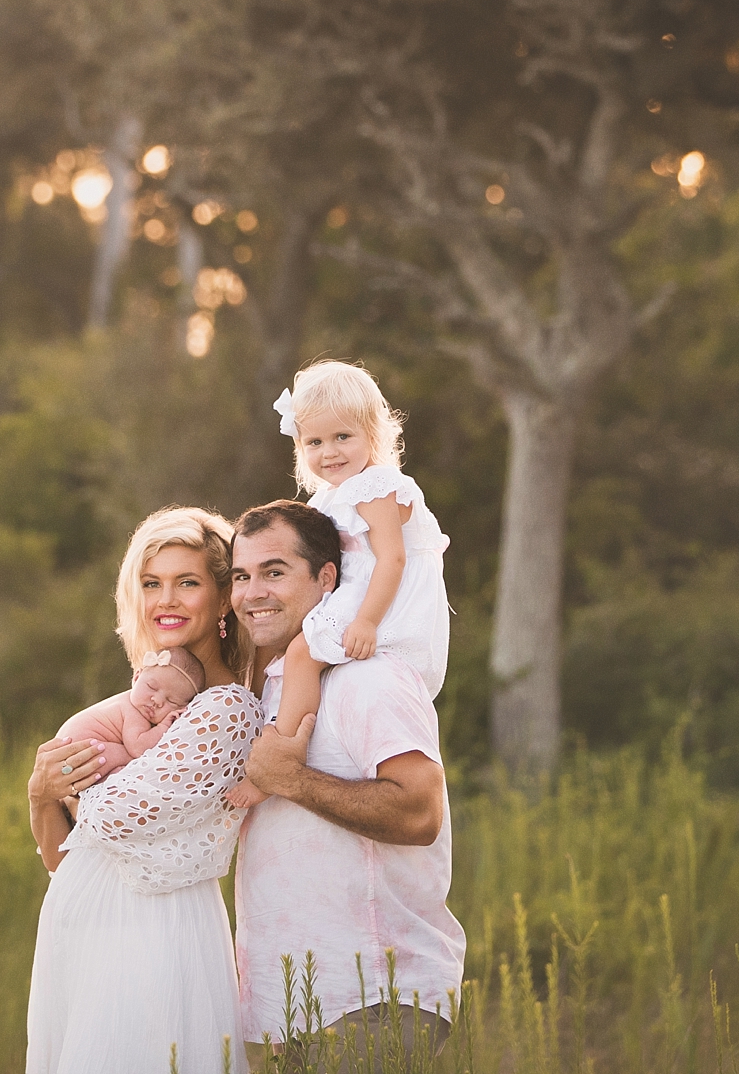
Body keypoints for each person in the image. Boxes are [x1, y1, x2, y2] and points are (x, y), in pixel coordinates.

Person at [230, 499, 466, 1069]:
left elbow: (418, 812)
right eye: (241, 576)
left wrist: (291, 779)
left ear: (328, 577)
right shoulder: (274, 690)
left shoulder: (371, 678)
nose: (252, 592)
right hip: (288, 1005)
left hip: (374, 996)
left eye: (275, 572)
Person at [26, 508, 263, 1074]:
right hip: (83, 939)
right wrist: (40, 796)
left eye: (188, 583)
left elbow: (109, 819)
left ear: (225, 596)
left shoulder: (226, 709)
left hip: (156, 939)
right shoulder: (149, 704)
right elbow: (64, 859)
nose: (167, 601)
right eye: (152, 584)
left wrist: (67, 790)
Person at [229, 361, 450, 808]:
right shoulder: (331, 495)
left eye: (342, 437)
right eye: (314, 442)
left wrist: (367, 621)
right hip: (356, 592)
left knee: (301, 655)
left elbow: (392, 559)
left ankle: (279, 762)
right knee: (288, 655)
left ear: (373, 433)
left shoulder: (378, 485)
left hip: (382, 600)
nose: (329, 452)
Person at [51, 644, 205, 777]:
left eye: (171, 701)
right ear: (136, 677)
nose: (157, 701)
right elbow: (138, 748)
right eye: (151, 687)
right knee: (131, 761)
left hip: (67, 756)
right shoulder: (133, 712)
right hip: (78, 754)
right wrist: (163, 726)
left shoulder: (126, 700)